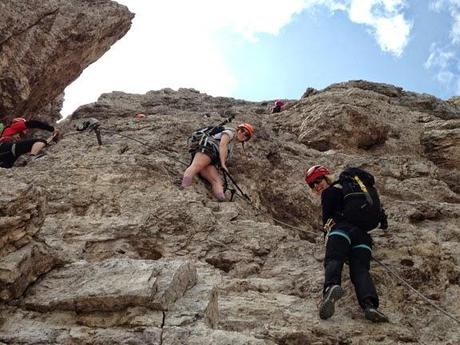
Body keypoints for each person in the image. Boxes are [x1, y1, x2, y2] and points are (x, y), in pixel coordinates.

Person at [305, 165, 389, 323]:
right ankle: (369, 305)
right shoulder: (352, 191)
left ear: (326, 178)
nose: (317, 186)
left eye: (318, 180)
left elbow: (328, 221)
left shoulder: (330, 192)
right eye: (312, 184)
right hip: (363, 236)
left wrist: (328, 237)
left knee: (333, 259)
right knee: (361, 270)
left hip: (341, 231)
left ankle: (331, 287)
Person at [181, 123, 254, 201]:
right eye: (242, 130)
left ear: (246, 139)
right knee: (195, 166)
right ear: (238, 129)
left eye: (246, 135)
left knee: (217, 181)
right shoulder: (230, 132)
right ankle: (184, 189)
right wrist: (223, 164)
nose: (243, 134)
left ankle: (222, 201)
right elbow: (222, 145)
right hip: (208, 149)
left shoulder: (232, 145)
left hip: (212, 158)